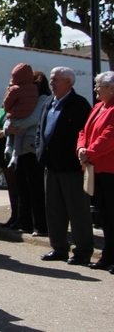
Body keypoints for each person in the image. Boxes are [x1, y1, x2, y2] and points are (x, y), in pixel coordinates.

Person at [33, 67, 94, 265]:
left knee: (77, 211)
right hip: (51, 166)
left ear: (68, 82)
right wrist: (39, 148)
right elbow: (40, 129)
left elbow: (85, 133)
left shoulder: (79, 104)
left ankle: (83, 251)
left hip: (71, 167)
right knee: (54, 209)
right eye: (51, 79)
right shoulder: (49, 102)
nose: (51, 83)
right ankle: (58, 248)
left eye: (56, 79)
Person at [78, 71, 114, 272]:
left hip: (110, 168)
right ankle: (108, 256)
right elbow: (84, 131)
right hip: (96, 167)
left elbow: (109, 137)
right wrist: (81, 149)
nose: (95, 89)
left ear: (111, 88)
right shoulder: (98, 107)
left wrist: (89, 153)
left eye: (99, 86)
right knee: (105, 216)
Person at [8, 71, 51, 236]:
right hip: (21, 150)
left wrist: (15, 127)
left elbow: (34, 119)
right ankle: (25, 222)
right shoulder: (25, 99)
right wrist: (9, 128)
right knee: (23, 188)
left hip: (32, 149)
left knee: (36, 189)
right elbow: (10, 118)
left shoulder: (43, 99)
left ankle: (40, 225)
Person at [3, 63, 40, 167]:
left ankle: (8, 148)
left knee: (11, 136)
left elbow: (7, 103)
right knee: (19, 138)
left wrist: (8, 110)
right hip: (26, 115)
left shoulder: (15, 89)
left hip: (15, 115)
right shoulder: (34, 89)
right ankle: (15, 158)